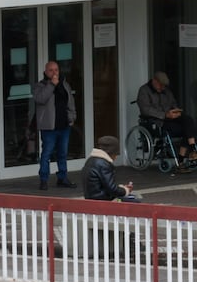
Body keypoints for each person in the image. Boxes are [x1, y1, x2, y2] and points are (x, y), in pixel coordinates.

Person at [136, 71, 197, 164]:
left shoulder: (166, 91)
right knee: (185, 129)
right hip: (157, 121)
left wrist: (176, 111)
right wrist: (165, 115)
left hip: (170, 117)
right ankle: (182, 159)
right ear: (154, 81)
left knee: (188, 120)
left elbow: (173, 103)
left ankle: (192, 150)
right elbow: (145, 109)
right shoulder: (144, 90)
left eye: (164, 86)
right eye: (161, 85)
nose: (163, 88)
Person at [32, 60, 77, 191]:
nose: (54, 73)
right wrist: (52, 85)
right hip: (49, 127)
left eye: (56, 70)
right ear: (45, 72)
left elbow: (70, 102)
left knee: (63, 153)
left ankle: (62, 178)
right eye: (51, 70)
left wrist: (72, 117)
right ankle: (44, 179)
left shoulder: (64, 84)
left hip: (64, 126)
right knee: (46, 154)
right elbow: (40, 99)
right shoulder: (40, 86)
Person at [84, 135, 142, 202]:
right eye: (116, 154)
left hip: (92, 199)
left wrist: (122, 188)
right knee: (135, 201)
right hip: (102, 201)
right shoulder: (103, 165)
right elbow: (112, 190)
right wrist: (126, 190)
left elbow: (105, 185)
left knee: (131, 199)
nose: (116, 157)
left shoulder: (91, 160)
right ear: (112, 153)